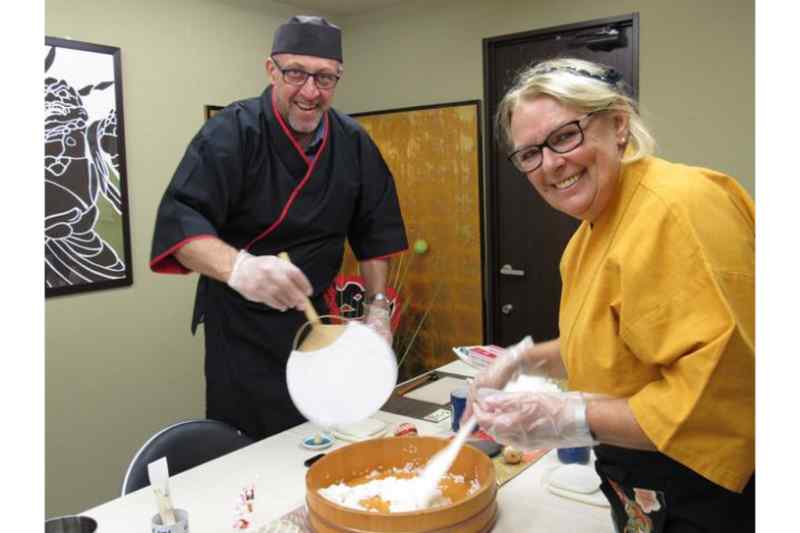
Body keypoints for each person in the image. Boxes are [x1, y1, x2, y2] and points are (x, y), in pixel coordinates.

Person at [467, 58, 754, 531]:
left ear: (618, 124)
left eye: (565, 136)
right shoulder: (586, 238)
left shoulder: (680, 208)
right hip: (640, 478)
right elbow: (617, 346)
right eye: (530, 153)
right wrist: (524, 360)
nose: (551, 164)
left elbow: (719, 398)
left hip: (711, 486)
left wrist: (572, 415)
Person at [149, 16, 407, 441]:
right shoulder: (232, 132)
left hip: (318, 317)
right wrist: (240, 269)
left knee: (324, 430)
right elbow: (180, 225)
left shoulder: (353, 142)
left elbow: (375, 230)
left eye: (325, 78)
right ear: (271, 70)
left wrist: (377, 309)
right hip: (241, 325)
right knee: (248, 442)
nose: (310, 91)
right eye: (296, 73)